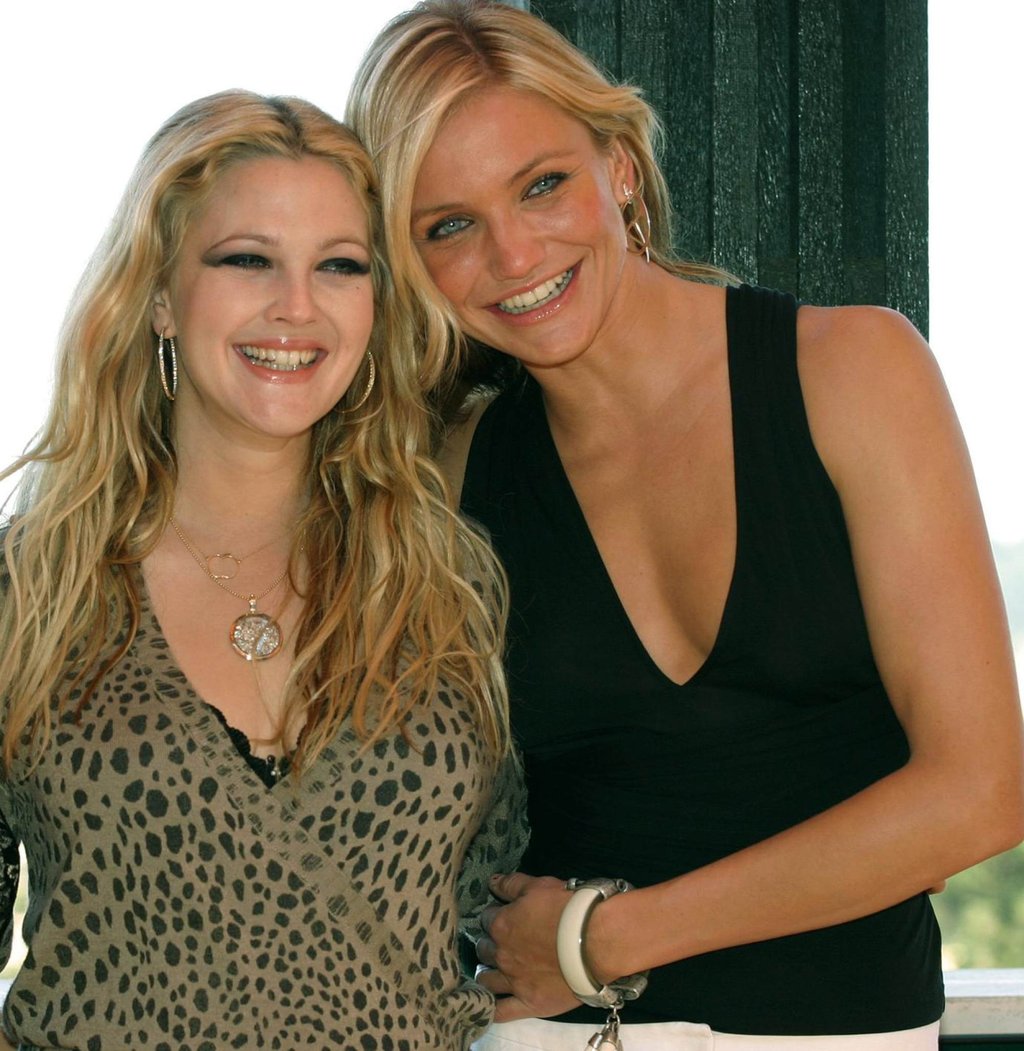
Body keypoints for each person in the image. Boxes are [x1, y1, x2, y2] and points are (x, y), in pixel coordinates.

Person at [347, 3, 1024, 1048]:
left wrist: (603, 938)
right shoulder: (448, 469)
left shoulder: (851, 374)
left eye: (540, 184)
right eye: (448, 225)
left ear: (618, 165)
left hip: (837, 1032)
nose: (514, 250)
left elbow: (981, 792)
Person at [0, 89, 527, 1050]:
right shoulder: (29, 594)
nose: (296, 307)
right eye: (248, 260)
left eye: (339, 266)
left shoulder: (448, 589)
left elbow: (504, 903)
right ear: (159, 294)